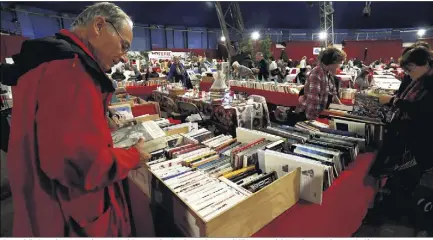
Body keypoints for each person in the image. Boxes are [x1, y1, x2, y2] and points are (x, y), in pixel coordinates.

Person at [3, 2, 152, 237]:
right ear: (99, 25)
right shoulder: (71, 69)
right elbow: (79, 163)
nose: (124, 57)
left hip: (42, 203)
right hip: (71, 216)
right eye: (124, 46)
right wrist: (133, 156)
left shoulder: (48, 60)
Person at [365, 46, 433, 235]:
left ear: (425, 64)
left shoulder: (429, 83)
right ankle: (396, 208)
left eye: (411, 68)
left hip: (420, 141)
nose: (408, 74)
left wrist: (396, 102)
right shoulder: (419, 80)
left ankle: (402, 213)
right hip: (407, 136)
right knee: (402, 177)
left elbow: (424, 113)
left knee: (409, 176)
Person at [295, 47, 346, 121]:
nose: (340, 66)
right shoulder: (317, 73)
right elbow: (313, 100)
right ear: (332, 62)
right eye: (340, 63)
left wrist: (342, 107)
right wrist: (313, 121)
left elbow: (334, 93)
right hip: (307, 114)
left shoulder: (328, 73)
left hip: (319, 112)